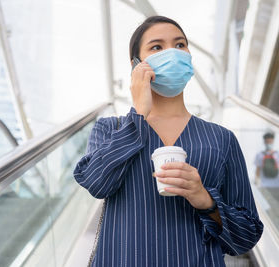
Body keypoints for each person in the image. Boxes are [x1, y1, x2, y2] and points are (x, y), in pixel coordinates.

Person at [73, 16, 263, 266]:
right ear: (136, 65)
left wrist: (205, 200)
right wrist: (139, 115)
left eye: (180, 45)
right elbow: (97, 183)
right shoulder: (111, 129)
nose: (172, 53)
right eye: (156, 47)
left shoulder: (221, 139)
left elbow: (247, 234)